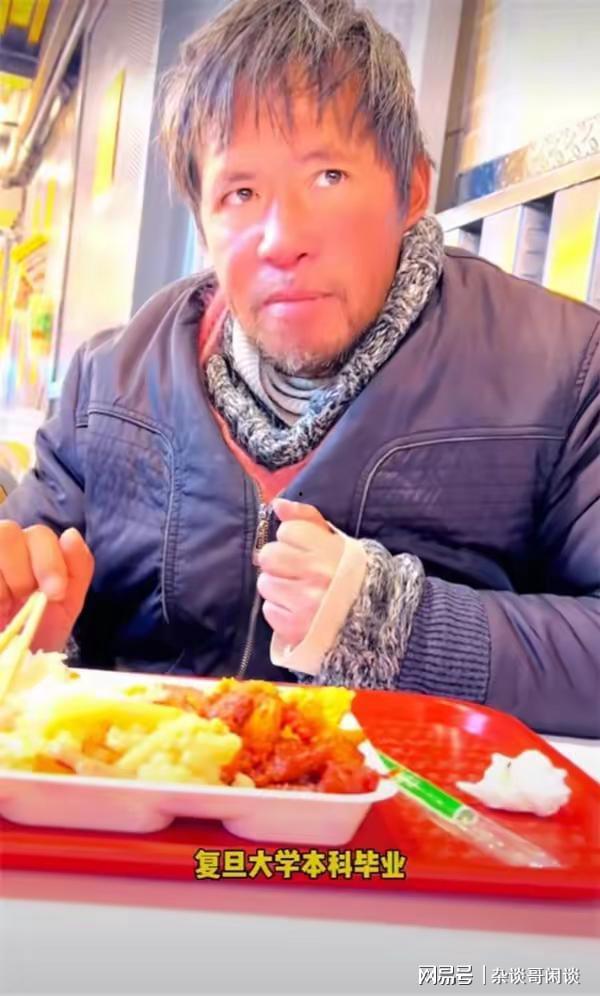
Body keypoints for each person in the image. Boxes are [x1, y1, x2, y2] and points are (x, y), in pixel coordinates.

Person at [0, 0, 598, 737]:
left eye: (329, 176)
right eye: (240, 193)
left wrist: (398, 628)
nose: (281, 239)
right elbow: (26, 578)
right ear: (202, 222)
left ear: (411, 189)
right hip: (137, 794)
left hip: (416, 806)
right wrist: (34, 638)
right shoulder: (108, 383)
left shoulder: (563, 367)